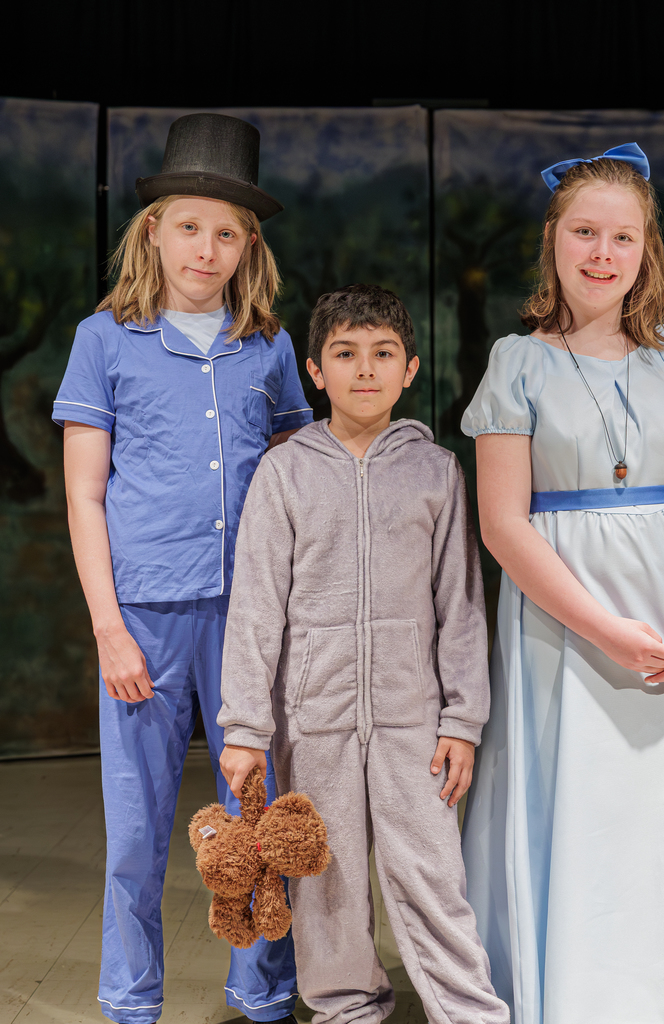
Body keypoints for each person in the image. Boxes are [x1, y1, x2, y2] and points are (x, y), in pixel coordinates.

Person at [459, 144, 664, 1024]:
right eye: (584, 234)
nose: (601, 254)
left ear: (647, 252)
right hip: (565, 623)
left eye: (622, 238)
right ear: (553, 241)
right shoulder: (517, 362)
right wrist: (602, 629)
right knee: (583, 806)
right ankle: (574, 994)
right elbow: (502, 523)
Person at [53, 113, 313, 1024]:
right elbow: (85, 497)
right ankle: (130, 1001)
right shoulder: (105, 341)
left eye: (228, 232)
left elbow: (300, 481)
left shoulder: (270, 349)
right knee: (135, 832)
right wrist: (109, 627)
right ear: (153, 229)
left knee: (264, 816)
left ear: (250, 247)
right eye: (190, 225)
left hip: (253, 622)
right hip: (145, 622)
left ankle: (266, 992)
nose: (207, 248)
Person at [217, 284, 510, 1024]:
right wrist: (245, 727)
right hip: (312, 719)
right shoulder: (284, 474)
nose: (365, 370)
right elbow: (256, 607)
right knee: (328, 878)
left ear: (410, 368)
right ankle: (345, 1007)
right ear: (315, 370)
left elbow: (461, 607)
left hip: (414, 722)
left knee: (433, 874)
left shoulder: (437, 471)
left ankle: (468, 1011)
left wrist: (462, 720)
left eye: (383, 354)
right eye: (344, 354)